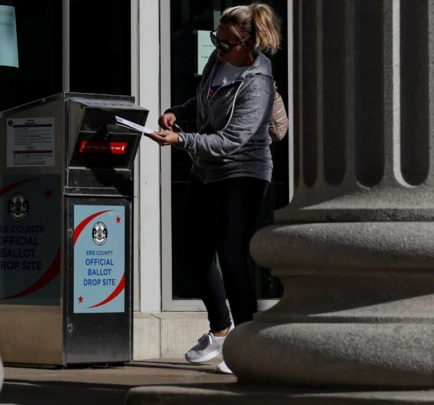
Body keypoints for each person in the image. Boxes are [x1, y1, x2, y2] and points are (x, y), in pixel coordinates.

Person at [145, 3, 282, 374]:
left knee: (232, 253)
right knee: (195, 250)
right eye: (215, 41)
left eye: (227, 45)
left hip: (243, 171)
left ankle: (246, 343)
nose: (218, 50)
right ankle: (222, 330)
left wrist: (180, 140)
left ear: (250, 43)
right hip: (206, 169)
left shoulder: (258, 82)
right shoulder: (218, 62)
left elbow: (233, 139)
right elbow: (206, 100)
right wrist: (181, 110)